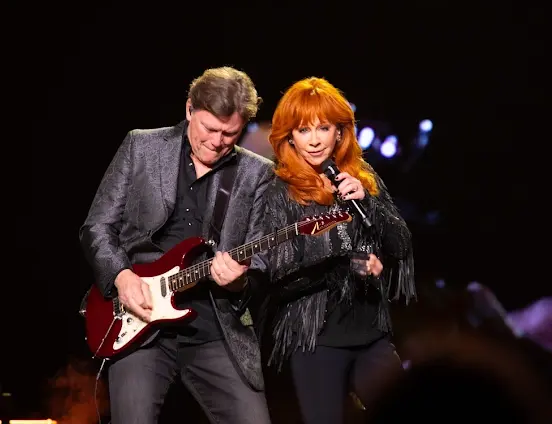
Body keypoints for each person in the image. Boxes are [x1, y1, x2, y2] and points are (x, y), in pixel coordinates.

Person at [79, 66, 274, 424]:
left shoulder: (257, 172)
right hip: (138, 319)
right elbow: (97, 226)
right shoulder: (141, 146)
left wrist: (240, 281)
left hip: (215, 326)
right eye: (209, 129)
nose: (217, 142)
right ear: (189, 109)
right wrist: (122, 276)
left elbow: (261, 259)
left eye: (229, 134)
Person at [257, 77, 416, 424]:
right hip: (316, 339)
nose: (314, 140)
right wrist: (346, 264)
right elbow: (278, 271)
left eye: (323, 128)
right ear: (289, 137)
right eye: (303, 130)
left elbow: (401, 245)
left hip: (370, 331)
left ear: (340, 132)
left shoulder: (362, 177)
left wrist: (368, 201)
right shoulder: (279, 191)